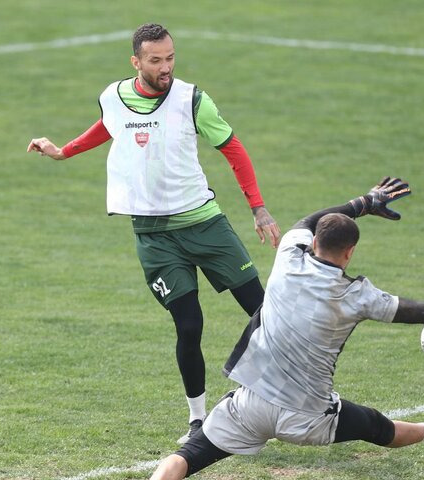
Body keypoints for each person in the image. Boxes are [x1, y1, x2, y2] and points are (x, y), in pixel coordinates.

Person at [149, 177, 424, 479]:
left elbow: (306, 220)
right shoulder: (358, 296)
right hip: (309, 416)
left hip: (250, 406)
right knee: (376, 427)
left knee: (183, 459)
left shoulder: (288, 257)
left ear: (313, 242)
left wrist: (363, 203)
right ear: (349, 254)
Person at [26, 23, 280, 443]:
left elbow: (233, 148)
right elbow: (108, 125)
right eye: (156, 61)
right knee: (189, 324)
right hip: (153, 237)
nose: (166, 68)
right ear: (136, 62)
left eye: (171, 58)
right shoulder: (114, 96)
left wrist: (258, 207)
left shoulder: (191, 99)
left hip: (205, 224)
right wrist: (63, 151)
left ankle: (282, 390)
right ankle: (199, 421)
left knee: (265, 313)